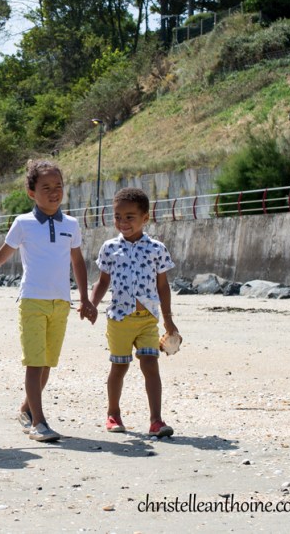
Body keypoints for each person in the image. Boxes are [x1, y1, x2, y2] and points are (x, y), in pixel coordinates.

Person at [0, 160, 97, 442]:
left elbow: (77, 261)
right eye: (46, 187)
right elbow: (0, 256)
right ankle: (39, 422)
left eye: (58, 186)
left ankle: (26, 409)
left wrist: (85, 298)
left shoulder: (71, 224)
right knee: (35, 364)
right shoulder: (23, 223)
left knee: (47, 363)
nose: (54, 192)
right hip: (32, 301)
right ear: (31, 192)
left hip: (61, 303)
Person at [88, 187, 179, 438]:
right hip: (119, 319)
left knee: (151, 366)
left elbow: (163, 286)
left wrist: (168, 321)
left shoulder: (156, 249)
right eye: (118, 216)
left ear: (145, 218)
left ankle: (156, 421)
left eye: (130, 217)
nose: (123, 222)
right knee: (119, 367)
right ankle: (113, 414)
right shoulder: (109, 248)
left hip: (148, 319)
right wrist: (92, 303)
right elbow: (102, 282)